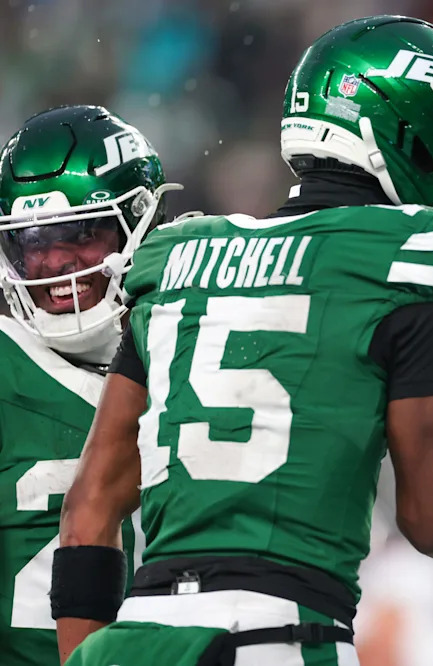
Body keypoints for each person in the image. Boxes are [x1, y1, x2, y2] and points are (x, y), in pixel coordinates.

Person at [54, 15, 433, 666]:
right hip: (276, 631)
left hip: (140, 632)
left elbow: (90, 507)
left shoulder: (177, 255)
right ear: (403, 133)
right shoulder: (409, 252)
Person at [0, 105, 177, 666]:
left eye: (81, 231)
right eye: (32, 240)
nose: (54, 262)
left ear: (141, 221)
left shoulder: (189, 348)